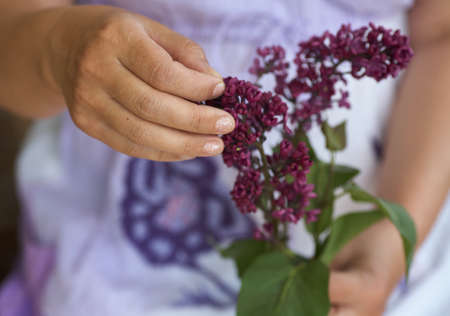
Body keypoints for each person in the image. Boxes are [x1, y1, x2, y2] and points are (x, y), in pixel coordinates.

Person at [0, 0, 449, 315]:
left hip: (379, 237)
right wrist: (61, 49)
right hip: (123, 257)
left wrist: (390, 238)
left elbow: (442, 33)